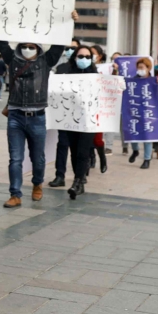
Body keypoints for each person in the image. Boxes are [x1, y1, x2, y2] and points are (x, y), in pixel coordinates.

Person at [0, 35, 68, 207]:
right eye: (25, 46)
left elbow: (58, 44)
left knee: (38, 157)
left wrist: (67, 19)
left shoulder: (46, 60)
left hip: (37, 117)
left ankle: (37, 184)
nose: (28, 49)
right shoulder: (12, 59)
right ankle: (15, 194)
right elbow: (1, 42)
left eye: (32, 46)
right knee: (15, 158)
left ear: (38, 47)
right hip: (15, 116)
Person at [52, 46, 101, 199]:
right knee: (73, 150)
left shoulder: (96, 75)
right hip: (70, 117)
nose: (84, 59)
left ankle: (77, 182)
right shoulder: (66, 73)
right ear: (75, 57)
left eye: (87, 57)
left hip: (88, 119)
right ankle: (79, 180)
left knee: (82, 151)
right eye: (81, 56)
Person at [126, 56, 158, 168]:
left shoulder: (154, 81)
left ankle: (147, 159)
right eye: (138, 67)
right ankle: (135, 150)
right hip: (135, 110)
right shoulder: (132, 81)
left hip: (149, 111)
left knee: (147, 135)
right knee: (133, 132)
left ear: (148, 68)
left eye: (142, 67)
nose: (139, 69)